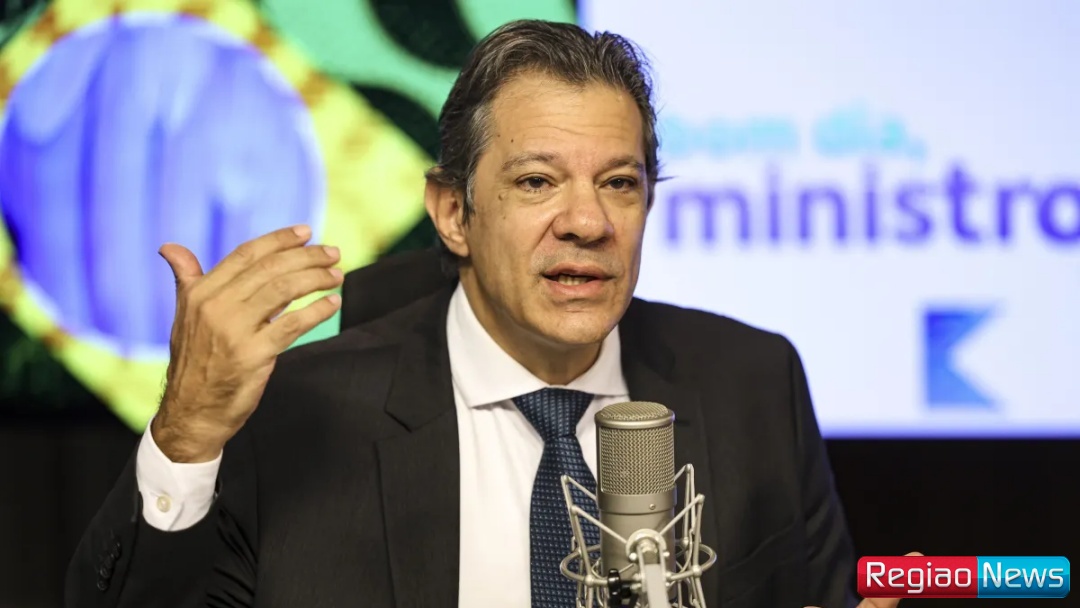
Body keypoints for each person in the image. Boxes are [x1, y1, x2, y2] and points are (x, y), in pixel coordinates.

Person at [65, 19, 907, 608]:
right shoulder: (302, 415)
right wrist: (186, 435)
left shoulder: (752, 384)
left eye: (620, 183)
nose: (588, 222)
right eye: (538, 181)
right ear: (453, 214)